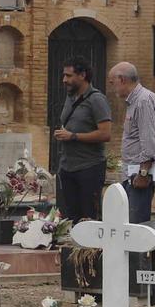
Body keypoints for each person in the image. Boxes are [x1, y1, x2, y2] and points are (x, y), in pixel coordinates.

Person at [52, 57, 113, 221]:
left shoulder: (97, 100)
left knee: (89, 218)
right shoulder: (70, 97)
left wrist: (73, 136)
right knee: (70, 218)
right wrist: (64, 133)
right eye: (64, 76)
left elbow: (105, 134)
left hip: (89, 167)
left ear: (83, 75)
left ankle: (92, 247)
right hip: (67, 166)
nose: (64, 80)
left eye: (69, 76)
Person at [109, 61, 155, 225]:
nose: (113, 89)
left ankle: (136, 253)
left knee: (135, 228)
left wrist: (143, 173)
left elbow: (149, 143)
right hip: (133, 173)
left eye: (113, 83)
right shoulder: (136, 101)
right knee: (128, 225)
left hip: (140, 175)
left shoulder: (143, 101)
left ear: (122, 79)